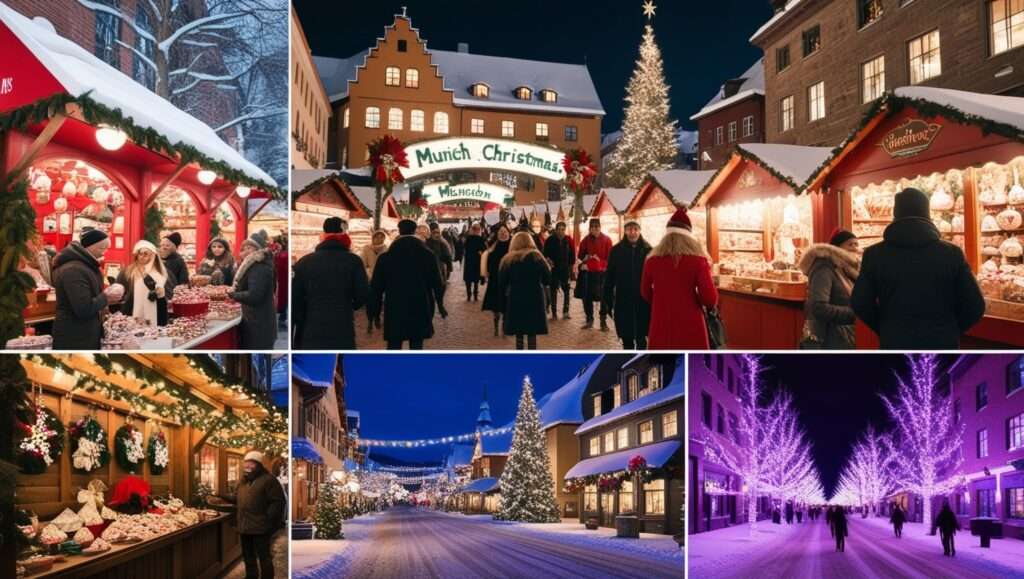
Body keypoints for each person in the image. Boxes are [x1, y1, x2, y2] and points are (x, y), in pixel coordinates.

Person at [851, 187, 985, 349]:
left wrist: (885, 328)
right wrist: (951, 329)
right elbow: (975, 305)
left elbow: (860, 303)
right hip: (942, 342)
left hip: (895, 342)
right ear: (927, 213)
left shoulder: (874, 255)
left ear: (896, 213)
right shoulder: (951, 253)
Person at [641, 208, 719, 348]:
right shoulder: (698, 261)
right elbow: (709, 299)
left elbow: (645, 292)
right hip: (691, 324)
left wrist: (661, 301)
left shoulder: (651, 260)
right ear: (688, 236)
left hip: (661, 322)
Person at [292, 217, 368, 349]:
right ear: (343, 234)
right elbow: (363, 294)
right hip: (342, 326)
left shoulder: (305, 262)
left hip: (311, 327)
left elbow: (295, 299)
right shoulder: (353, 261)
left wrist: (301, 319)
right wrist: (349, 305)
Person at [370, 219, 447, 350]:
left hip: (395, 307)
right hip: (420, 305)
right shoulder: (427, 255)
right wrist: (440, 305)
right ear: (415, 230)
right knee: (417, 344)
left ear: (399, 231)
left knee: (394, 345)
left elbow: (376, 288)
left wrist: (375, 313)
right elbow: (437, 283)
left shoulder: (385, 257)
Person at [52, 230, 124, 349]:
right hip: (74, 337)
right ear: (89, 247)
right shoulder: (74, 270)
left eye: (106, 248)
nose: (104, 253)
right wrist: (106, 297)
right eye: (102, 248)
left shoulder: (86, 265)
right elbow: (83, 308)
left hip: (85, 333)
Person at [218, 451, 285, 579]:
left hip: (261, 528)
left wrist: (268, 521)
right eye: (246, 463)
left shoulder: (269, 480)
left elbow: (278, 502)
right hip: (245, 527)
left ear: (258, 465)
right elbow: (237, 499)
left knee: (264, 557)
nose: (247, 466)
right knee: (248, 557)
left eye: (251, 463)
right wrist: (221, 496)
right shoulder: (243, 481)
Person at [798, 229, 860, 349]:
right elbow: (818, 307)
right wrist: (854, 314)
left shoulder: (846, 269)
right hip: (827, 339)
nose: (854, 248)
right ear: (837, 248)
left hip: (841, 336)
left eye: (856, 244)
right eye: (850, 244)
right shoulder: (824, 268)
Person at [498, 231, 552, 350]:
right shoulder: (538, 257)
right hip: (535, 297)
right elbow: (548, 279)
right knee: (532, 333)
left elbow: (501, 282)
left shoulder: (508, 260)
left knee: (519, 333)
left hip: (516, 297)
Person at [604, 220, 651, 349]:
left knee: (642, 340)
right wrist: (607, 301)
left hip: (643, 301)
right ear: (625, 231)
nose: (633, 232)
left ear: (639, 231)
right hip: (623, 300)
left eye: (635, 229)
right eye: (629, 229)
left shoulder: (648, 250)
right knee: (627, 340)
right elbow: (609, 277)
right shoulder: (616, 251)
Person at [230, 232, 276, 350]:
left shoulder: (259, 267)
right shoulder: (252, 265)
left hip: (258, 322)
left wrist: (233, 295)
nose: (245, 251)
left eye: (249, 248)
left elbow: (254, 296)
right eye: (243, 248)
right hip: (256, 319)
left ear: (258, 249)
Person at [114, 240, 173, 327]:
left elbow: (169, 295)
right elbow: (119, 292)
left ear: (153, 256)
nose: (142, 257)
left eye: (145, 254)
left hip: (157, 315)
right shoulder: (128, 271)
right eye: (140, 253)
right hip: (131, 314)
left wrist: (160, 294)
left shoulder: (161, 273)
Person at [575, 218, 612, 330]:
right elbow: (580, 256)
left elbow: (610, 258)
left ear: (600, 227)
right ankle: (589, 319)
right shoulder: (585, 240)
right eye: (593, 227)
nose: (595, 229)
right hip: (588, 273)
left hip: (602, 273)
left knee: (604, 298)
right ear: (589, 228)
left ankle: (603, 321)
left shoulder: (607, 240)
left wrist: (600, 262)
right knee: (587, 297)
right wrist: (586, 258)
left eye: (597, 227)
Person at [481, 224, 512, 337]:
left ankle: (504, 326)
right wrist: (486, 273)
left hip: (508, 279)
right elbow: (487, 260)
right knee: (495, 306)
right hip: (495, 279)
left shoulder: (512, 246)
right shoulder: (493, 246)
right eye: (501, 232)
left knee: (506, 304)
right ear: (498, 234)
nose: (503, 234)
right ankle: (496, 326)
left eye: (505, 232)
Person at [543, 221, 575, 320]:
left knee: (566, 290)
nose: (561, 231)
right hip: (554, 269)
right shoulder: (550, 240)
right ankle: (554, 312)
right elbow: (544, 254)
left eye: (563, 229)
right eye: (559, 229)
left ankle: (566, 312)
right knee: (553, 291)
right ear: (556, 230)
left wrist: (570, 268)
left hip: (565, 269)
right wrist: (549, 261)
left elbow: (572, 255)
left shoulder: (568, 240)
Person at [360, 230, 389, 330]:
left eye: (382, 237)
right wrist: (368, 274)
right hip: (369, 278)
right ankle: (370, 320)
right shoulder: (367, 248)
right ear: (373, 238)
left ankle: (376, 317)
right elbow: (363, 264)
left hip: (382, 278)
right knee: (370, 300)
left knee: (379, 300)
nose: (379, 239)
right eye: (377, 237)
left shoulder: (386, 249)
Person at [462, 223, 486, 302]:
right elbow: (483, 249)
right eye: (476, 229)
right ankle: (472, 296)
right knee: (474, 279)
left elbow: (464, 247)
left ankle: (471, 296)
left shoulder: (469, 238)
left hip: (471, 261)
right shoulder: (479, 238)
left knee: (472, 280)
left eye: (477, 229)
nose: (477, 230)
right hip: (474, 260)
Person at [273, 235, 289, 331]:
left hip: (280, 281)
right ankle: (282, 319)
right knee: (283, 300)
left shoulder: (281, 255)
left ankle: (281, 319)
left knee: (281, 299)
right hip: (281, 281)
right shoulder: (281, 255)